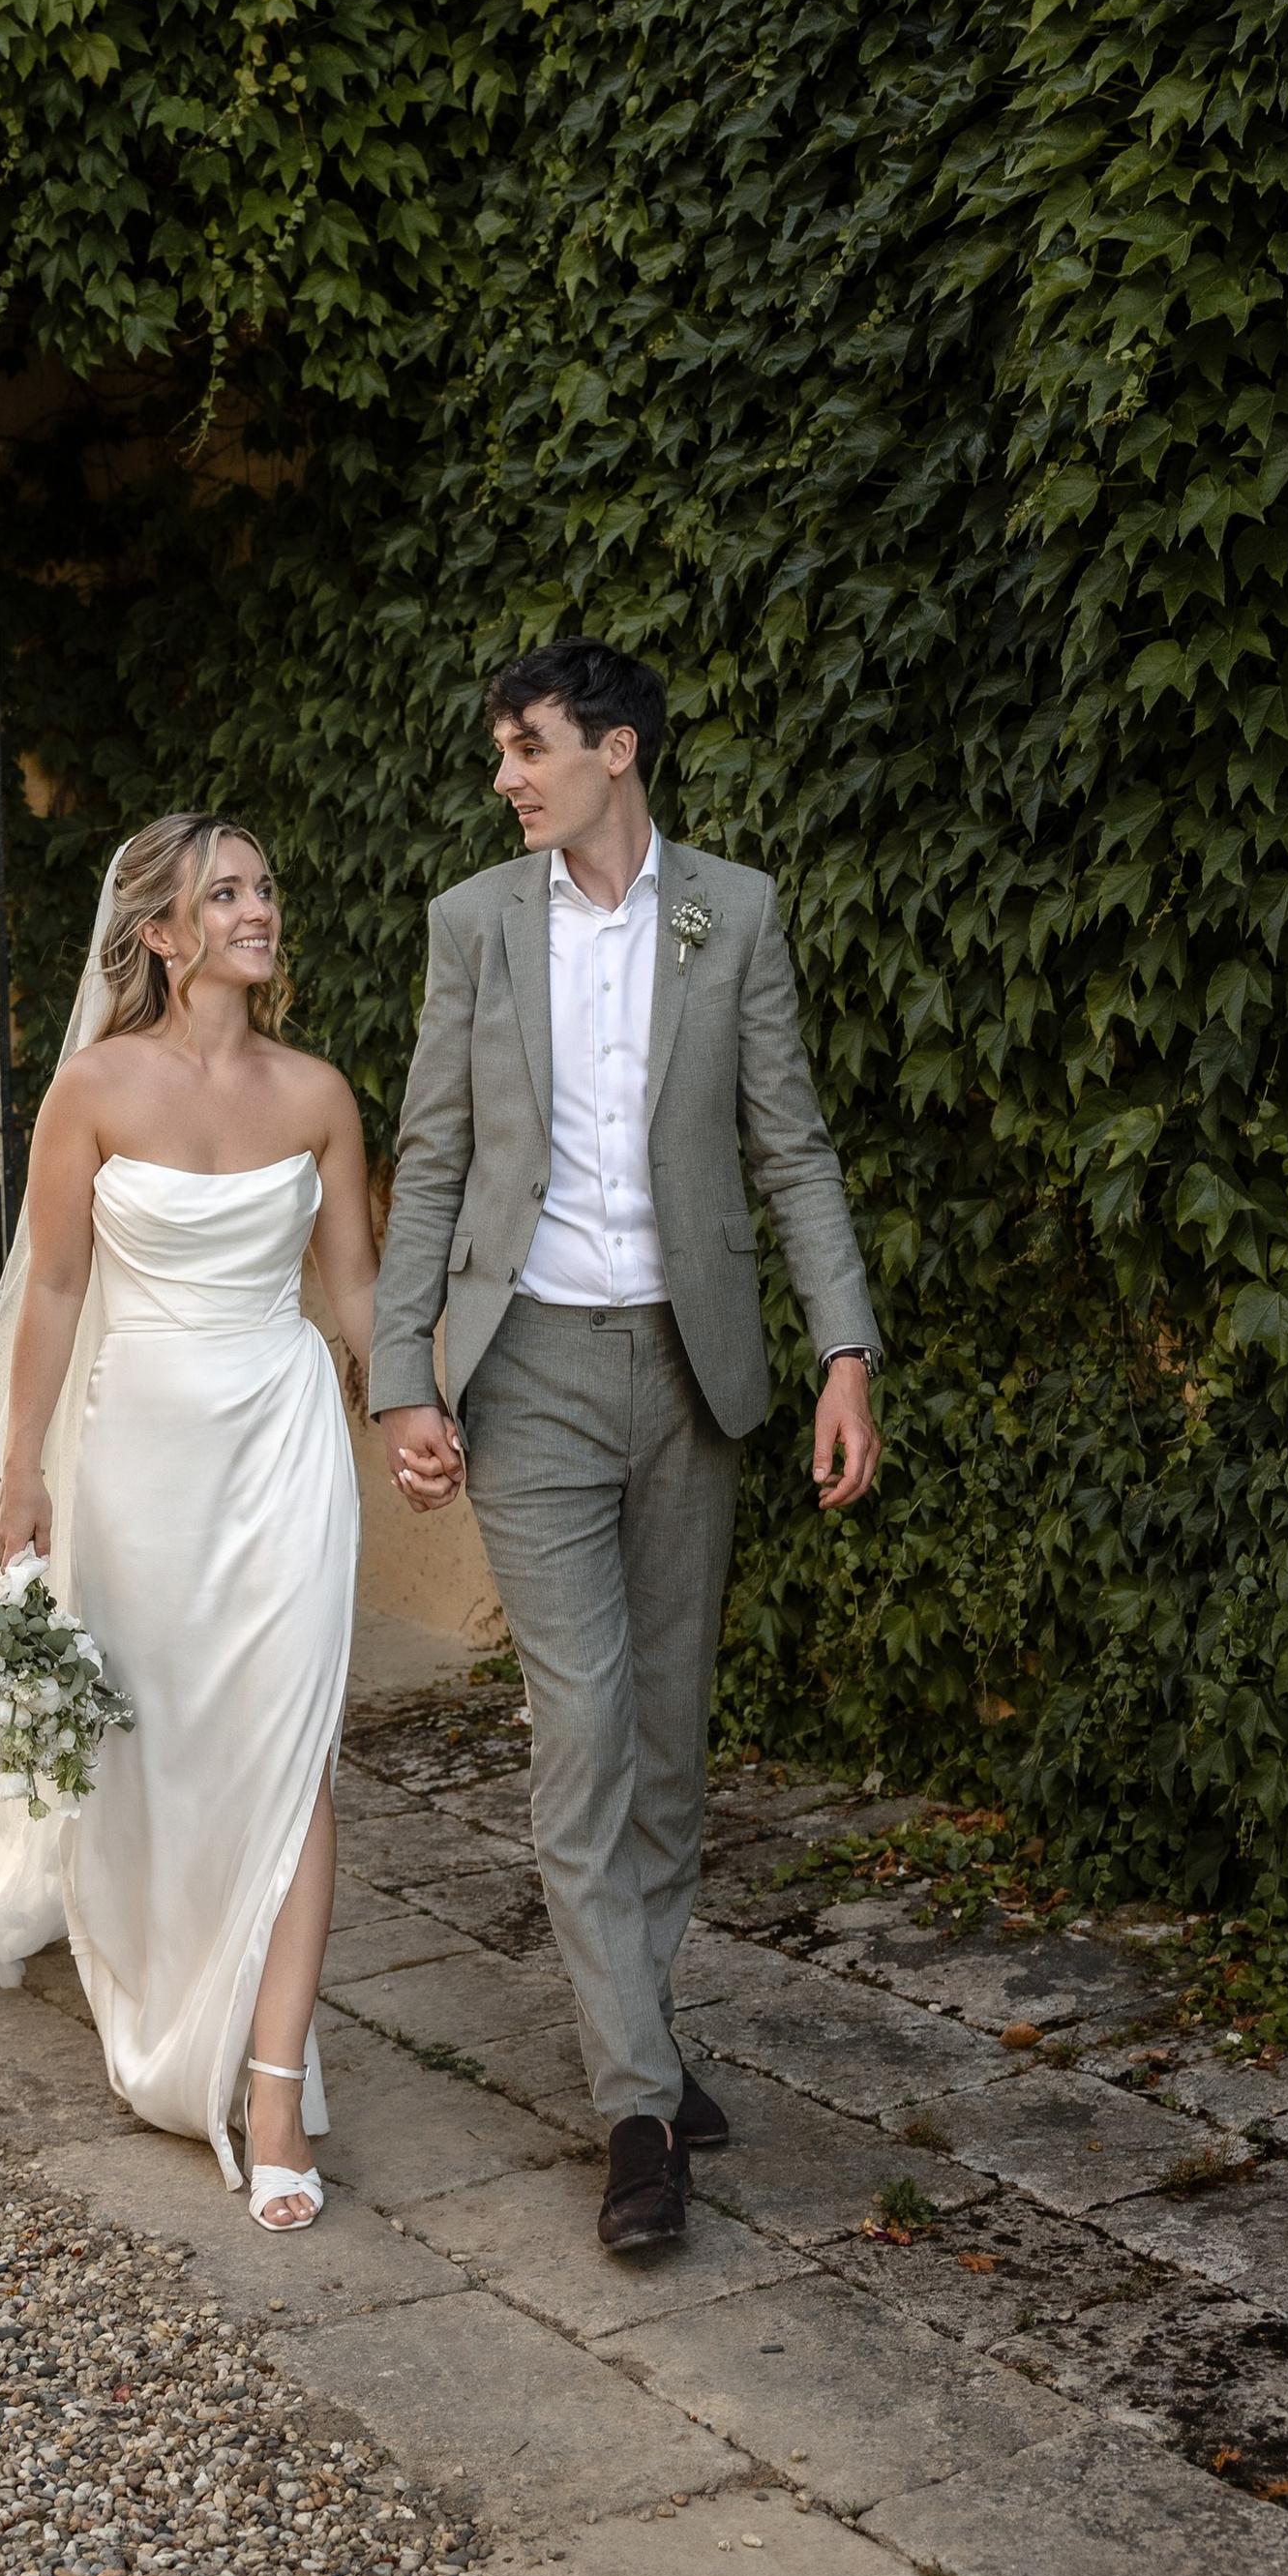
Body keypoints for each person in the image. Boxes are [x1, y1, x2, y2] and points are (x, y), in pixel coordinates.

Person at [0, 815, 372, 2233]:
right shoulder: (94, 1091)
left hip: (283, 1443)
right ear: (163, 934)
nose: (260, 908)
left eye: (266, 884)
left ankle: (273, 2085)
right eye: (227, 892)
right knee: (155, 1753)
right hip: (142, 1449)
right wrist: (22, 1468)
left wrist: (416, 1407)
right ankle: (169, 1998)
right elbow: (46, 1290)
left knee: (292, 1755)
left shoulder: (321, 1094)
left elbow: (354, 1290)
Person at [369, 641, 881, 2253]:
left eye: (528, 747)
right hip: (525, 1378)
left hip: (692, 1373)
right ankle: (638, 2118)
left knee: (668, 1739)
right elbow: (432, 1158)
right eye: (502, 752)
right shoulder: (474, 927)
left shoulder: (734, 910)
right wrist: (404, 1377)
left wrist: (845, 1352)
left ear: (618, 750)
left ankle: (636, 2036)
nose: (507, 776)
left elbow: (789, 1147)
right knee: (582, 1731)